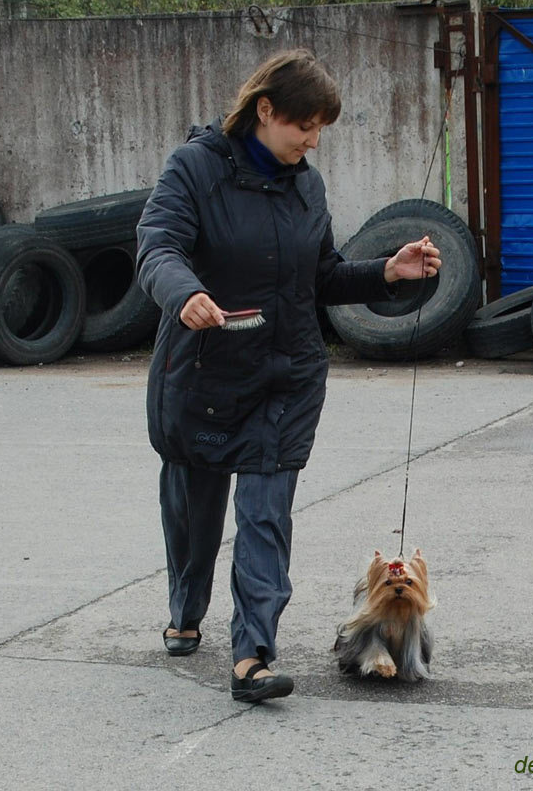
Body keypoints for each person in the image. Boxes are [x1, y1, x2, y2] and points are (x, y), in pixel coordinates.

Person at [136, 48, 441, 703]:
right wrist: (183, 293)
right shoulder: (193, 170)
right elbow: (157, 244)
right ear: (264, 110)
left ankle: (252, 656)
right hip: (206, 371)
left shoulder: (307, 183)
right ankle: (186, 609)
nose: (311, 140)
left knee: (266, 516)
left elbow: (322, 276)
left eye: (320, 129)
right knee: (195, 514)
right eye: (302, 125)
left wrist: (386, 271)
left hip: (286, 376)